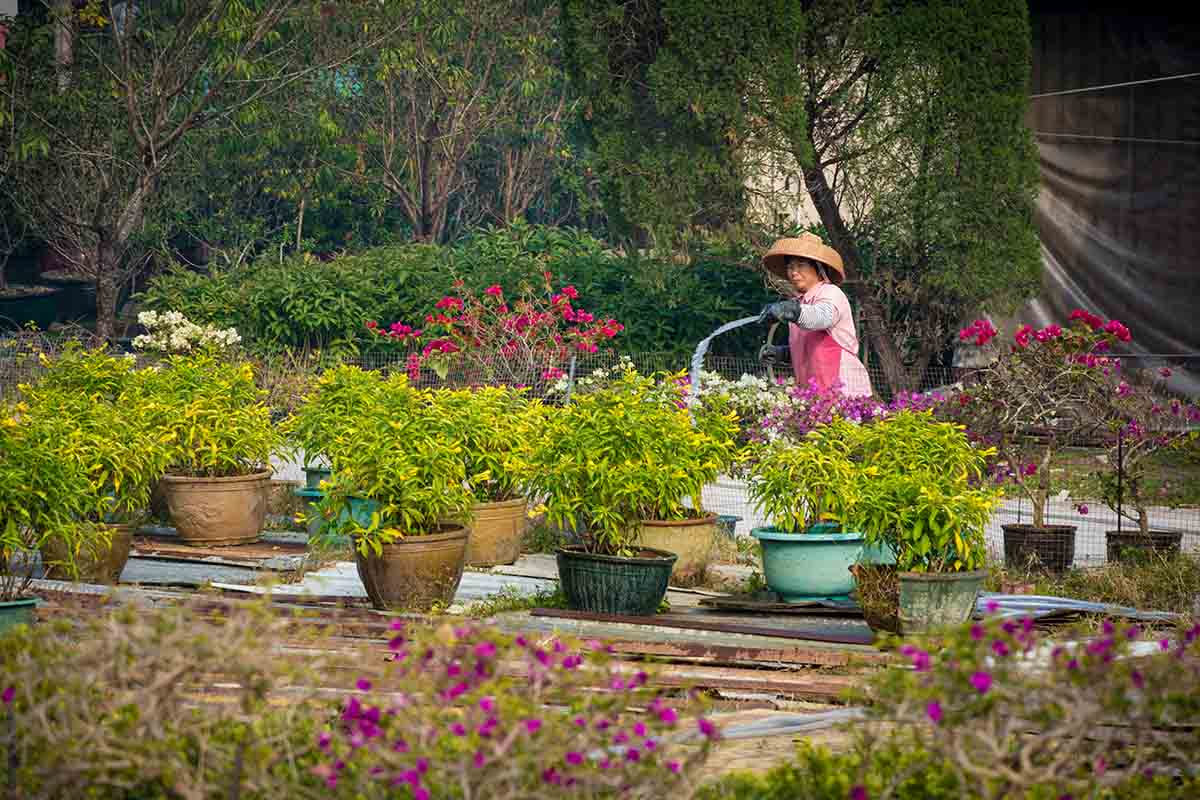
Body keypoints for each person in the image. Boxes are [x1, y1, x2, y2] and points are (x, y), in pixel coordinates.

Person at [757, 233, 873, 398]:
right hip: (813, 393)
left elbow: (821, 317)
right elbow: (809, 347)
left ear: (818, 268)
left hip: (844, 391)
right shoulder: (800, 303)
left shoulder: (831, 293)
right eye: (790, 267)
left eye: (801, 265)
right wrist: (782, 353)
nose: (793, 272)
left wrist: (791, 311)